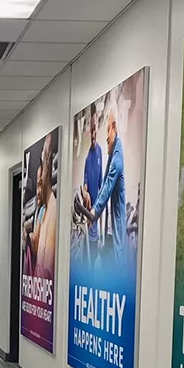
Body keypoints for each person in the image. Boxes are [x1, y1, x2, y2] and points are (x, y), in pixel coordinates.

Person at [82, 103, 129, 266]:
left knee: (115, 265)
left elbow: (107, 184)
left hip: (114, 230)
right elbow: (93, 184)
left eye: (107, 130)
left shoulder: (116, 158)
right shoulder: (107, 153)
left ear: (113, 128)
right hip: (107, 230)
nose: (105, 136)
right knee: (101, 260)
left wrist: (94, 211)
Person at [25, 131, 58, 281]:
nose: (38, 191)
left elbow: (49, 269)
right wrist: (26, 236)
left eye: (40, 184)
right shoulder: (42, 211)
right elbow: (35, 242)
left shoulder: (54, 211)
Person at [81, 104, 105, 268]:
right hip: (89, 211)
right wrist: (85, 193)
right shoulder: (88, 158)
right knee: (88, 250)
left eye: (96, 128)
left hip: (97, 210)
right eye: (92, 129)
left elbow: (102, 183)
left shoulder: (100, 153)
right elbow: (84, 186)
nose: (94, 133)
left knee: (96, 247)